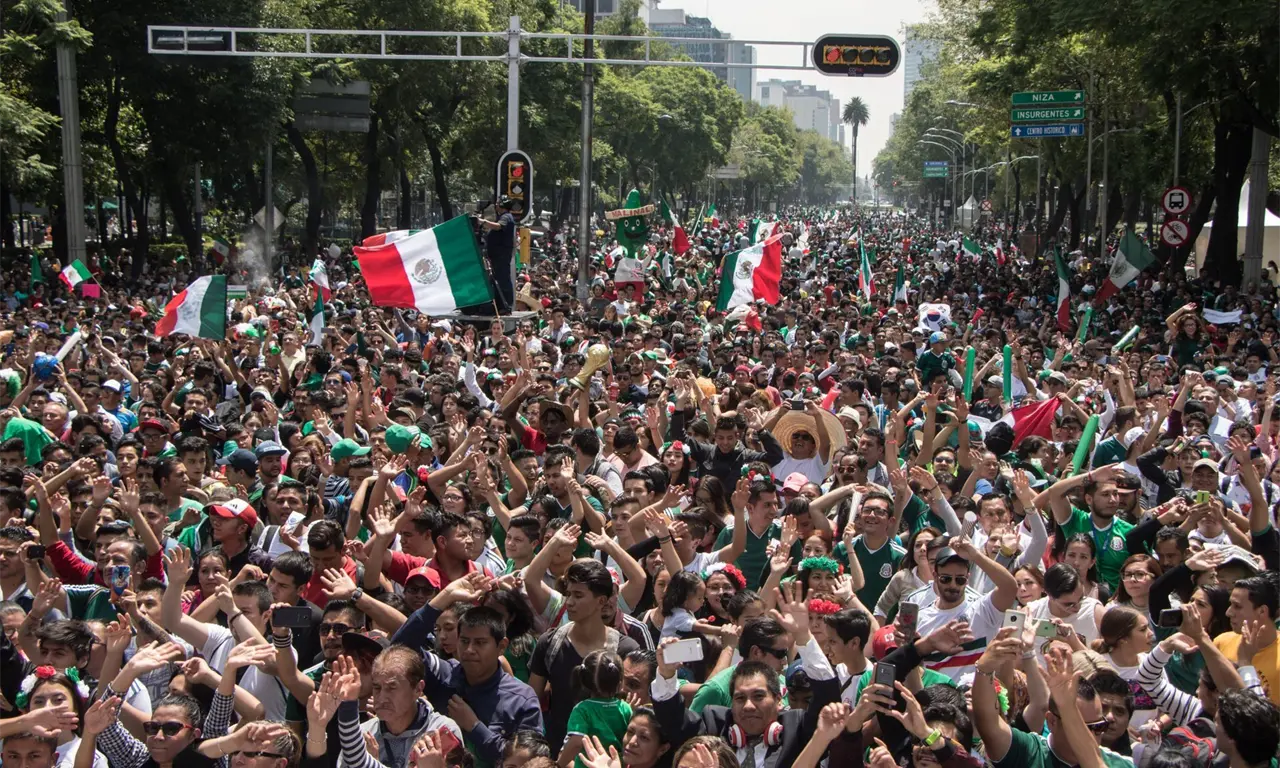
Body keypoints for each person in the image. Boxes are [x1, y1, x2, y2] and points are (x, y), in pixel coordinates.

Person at [476, 198, 518, 313]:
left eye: (497, 204)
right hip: (497, 256)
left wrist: (482, 221)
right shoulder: (504, 217)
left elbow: (498, 226)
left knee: (503, 279)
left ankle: (505, 305)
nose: (495, 206)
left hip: (501, 255)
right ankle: (499, 305)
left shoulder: (506, 217)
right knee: (497, 279)